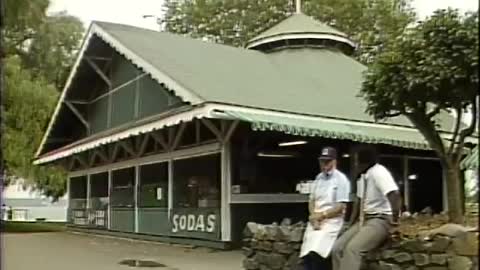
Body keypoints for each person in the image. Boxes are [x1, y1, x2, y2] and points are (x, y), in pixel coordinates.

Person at [331, 146, 402, 270]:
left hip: (380, 219)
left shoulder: (379, 171)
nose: (355, 164)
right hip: (364, 220)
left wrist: (395, 221)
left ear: (363, 162)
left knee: (352, 249)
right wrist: (350, 224)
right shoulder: (362, 177)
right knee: (337, 248)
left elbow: (394, 194)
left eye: (356, 161)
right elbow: (358, 203)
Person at [300, 147, 351, 270]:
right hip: (315, 222)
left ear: (334, 161)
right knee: (307, 254)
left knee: (318, 252)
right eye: (322, 161)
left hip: (331, 222)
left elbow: (340, 207)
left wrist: (322, 216)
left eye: (327, 161)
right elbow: (312, 200)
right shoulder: (318, 178)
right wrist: (313, 216)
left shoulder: (341, 179)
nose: (324, 164)